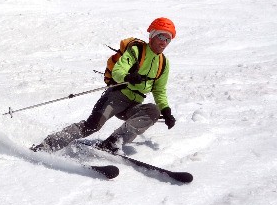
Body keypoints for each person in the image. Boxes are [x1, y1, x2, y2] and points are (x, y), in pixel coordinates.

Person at [32, 17, 177, 154]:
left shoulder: (164, 63)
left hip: (133, 105)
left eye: (168, 39)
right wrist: (128, 77)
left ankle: (112, 143)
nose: (164, 42)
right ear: (152, 36)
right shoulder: (137, 51)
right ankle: (47, 145)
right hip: (116, 98)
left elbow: (159, 89)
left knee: (153, 110)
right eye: (161, 37)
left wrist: (166, 110)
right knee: (91, 126)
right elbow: (118, 71)